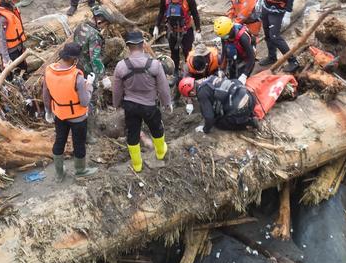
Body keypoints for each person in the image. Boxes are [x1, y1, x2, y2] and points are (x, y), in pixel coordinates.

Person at [111, 30, 172, 172]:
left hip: (130, 106)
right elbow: (163, 88)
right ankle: (160, 152)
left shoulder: (121, 66)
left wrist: (116, 104)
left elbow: (117, 89)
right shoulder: (154, 64)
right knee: (156, 129)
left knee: (133, 133)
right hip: (150, 105)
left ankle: (137, 165)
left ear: (128, 46)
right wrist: (167, 103)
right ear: (143, 44)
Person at [43, 43, 98, 180]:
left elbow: (45, 95)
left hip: (60, 115)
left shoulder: (48, 72)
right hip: (77, 118)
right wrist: (89, 86)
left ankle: (59, 174)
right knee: (78, 143)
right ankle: (80, 170)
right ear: (75, 59)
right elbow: (85, 101)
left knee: (59, 141)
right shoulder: (77, 78)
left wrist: (49, 111)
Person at [154, 0, 201, 79]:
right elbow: (161, 12)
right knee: (173, 51)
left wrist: (198, 31)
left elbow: (195, 13)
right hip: (172, 30)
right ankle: (175, 70)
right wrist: (156, 26)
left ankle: (189, 70)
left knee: (187, 52)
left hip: (186, 30)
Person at [178, 75, 258, 134]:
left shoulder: (202, 93)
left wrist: (205, 129)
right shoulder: (210, 78)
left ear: (191, 92)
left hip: (241, 109)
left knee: (218, 123)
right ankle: (252, 114)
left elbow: (210, 118)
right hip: (250, 98)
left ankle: (248, 124)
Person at [0, 0, 28, 74]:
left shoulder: (10, 7)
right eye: (18, 0)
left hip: (18, 47)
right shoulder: (1, 18)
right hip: (10, 51)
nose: (19, 3)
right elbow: (1, 39)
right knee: (12, 74)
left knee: (23, 69)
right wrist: (6, 59)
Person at [214, 16, 255, 80]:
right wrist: (221, 69)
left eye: (225, 36)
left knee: (239, 81)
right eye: (222, 37)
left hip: (246, 58)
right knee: (231, 77)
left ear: (230, 30)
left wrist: (245, 74)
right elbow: (224, 52)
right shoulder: (225, 36)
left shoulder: (243, 38)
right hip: (234, 56)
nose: (224, 39)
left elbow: (251, 57)